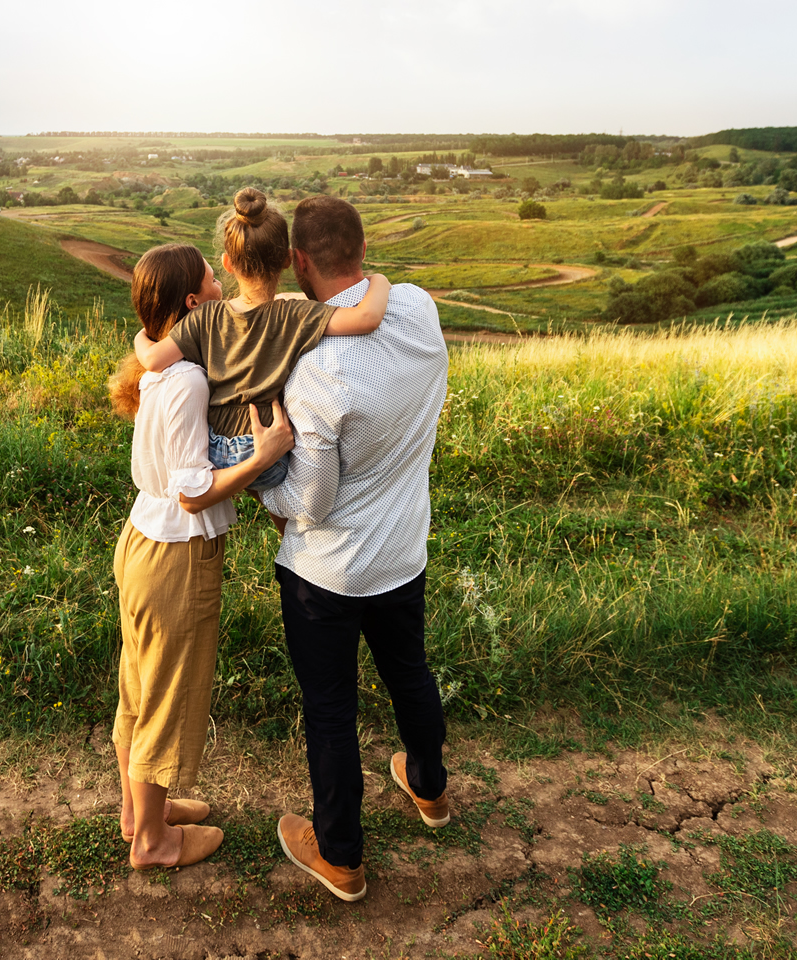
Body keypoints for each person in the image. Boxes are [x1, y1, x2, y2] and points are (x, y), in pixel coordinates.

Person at [259, 196, 452, 902]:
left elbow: (310, 500)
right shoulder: (418, 309)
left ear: (298, 261)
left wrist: (262, 485)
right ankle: (430, 789)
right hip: (402, 550)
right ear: (363, 249)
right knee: (410, 672)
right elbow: (381, 290)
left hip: (328, 571)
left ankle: (341, 856)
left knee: (332, 709)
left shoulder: (315, 369)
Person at [106, 243, 295, 869]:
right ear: (194, 303)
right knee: (167, 696)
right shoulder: (188, 379)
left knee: (140, 685)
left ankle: (140, 814)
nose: (224, 289)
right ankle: (153, 844)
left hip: (141, 540)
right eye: (215, 281)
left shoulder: (161, 363)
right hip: (177, 555)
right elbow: (192, 492)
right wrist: (263, 457)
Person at [133, 188, 393, 498]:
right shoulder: (293, 315)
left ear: (228, 263)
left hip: (215, 450)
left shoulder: (206, 316)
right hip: (266, 451)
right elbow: (367, 318)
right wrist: (380, 280)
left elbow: (152, 360)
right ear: (287, 260)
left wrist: (141, 335)